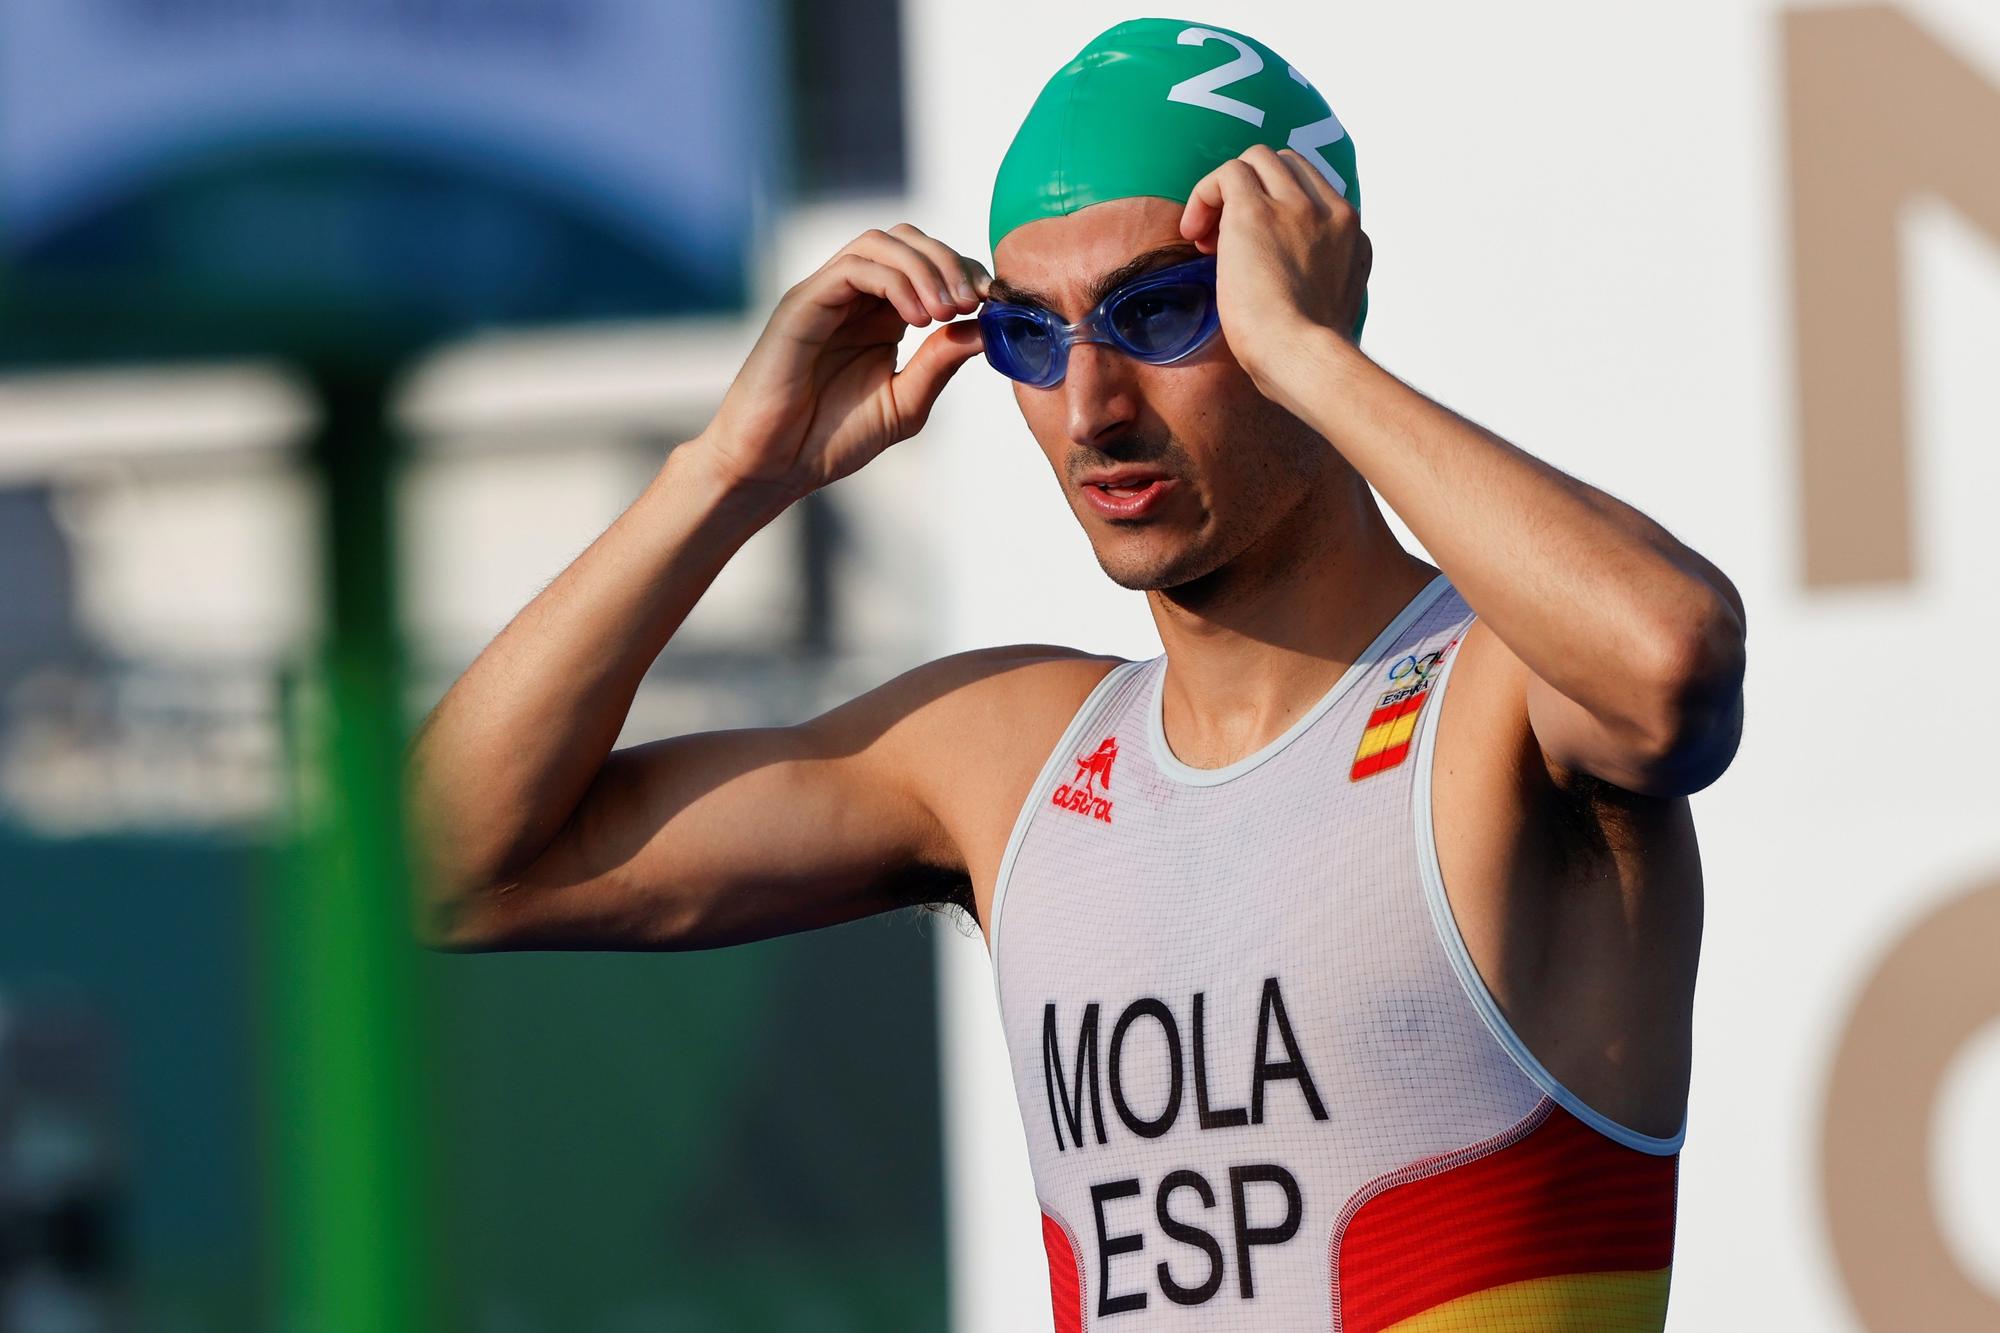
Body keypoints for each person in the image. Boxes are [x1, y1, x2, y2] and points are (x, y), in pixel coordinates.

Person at [408, 17, 1744, 1330]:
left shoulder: (1500, 695)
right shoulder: (1011, 757)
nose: (1093, 403)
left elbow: (1669, 658)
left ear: (1303, 292)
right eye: (1030, 338)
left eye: (1165, 311)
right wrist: (726, 475)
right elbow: (444, 863)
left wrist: (1317, 359)